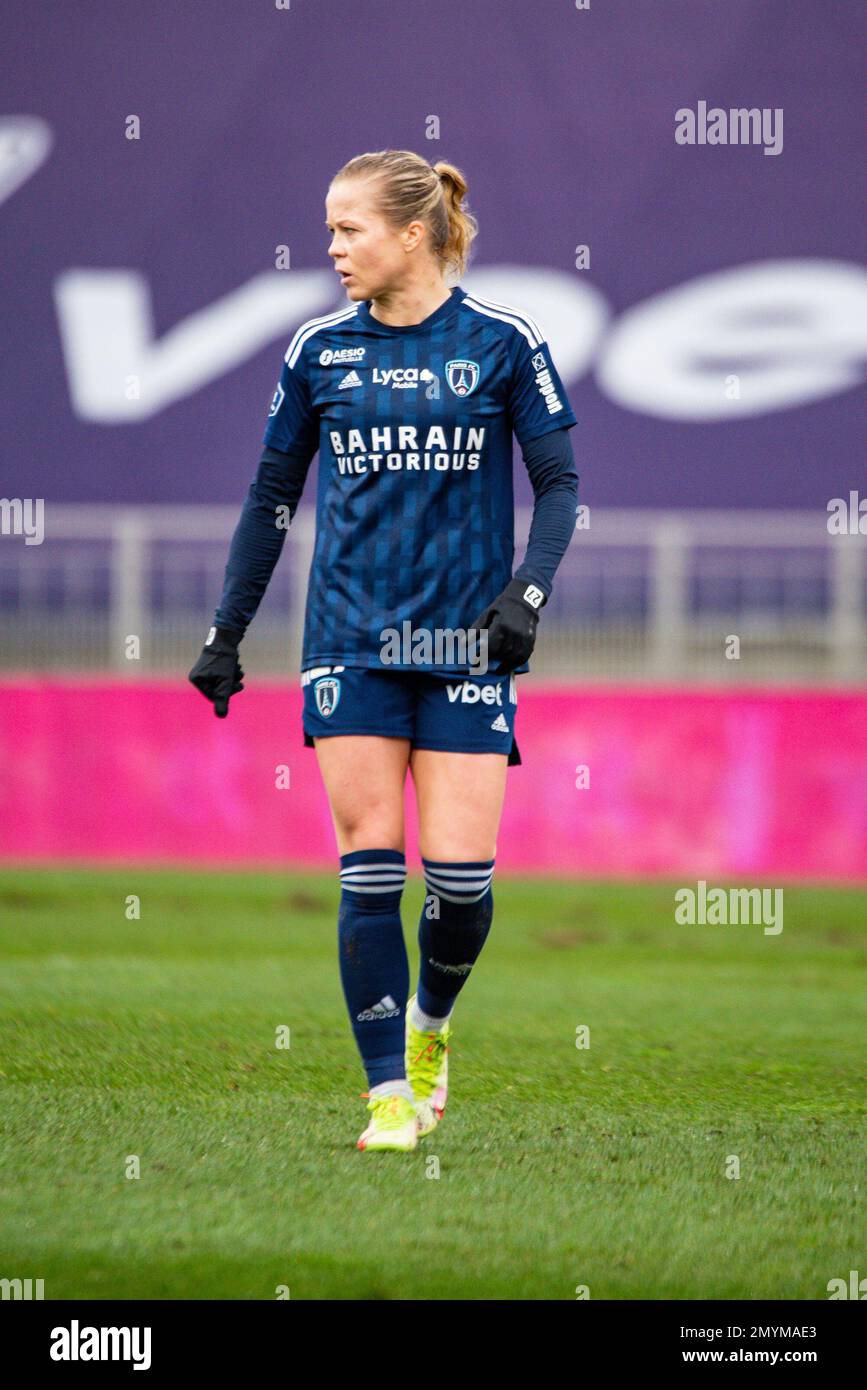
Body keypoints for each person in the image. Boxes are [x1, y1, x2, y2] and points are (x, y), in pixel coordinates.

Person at [189, 149, 578, 1152]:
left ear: (413, 234)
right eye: (328, 228)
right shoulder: (320, 351)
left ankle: (432, 1025)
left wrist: (525, 594)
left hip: (464, 648)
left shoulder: (501, 342)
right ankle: (387, 1097)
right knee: (370, 872)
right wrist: (227, 631)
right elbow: (270, 498)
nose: (332, 249)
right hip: (351, 644)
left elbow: (561, 484)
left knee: (460, 884)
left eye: (347, 228)